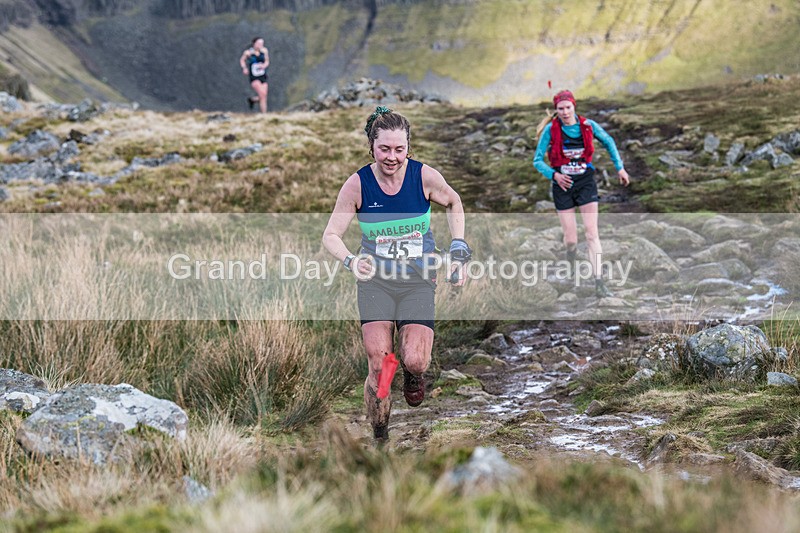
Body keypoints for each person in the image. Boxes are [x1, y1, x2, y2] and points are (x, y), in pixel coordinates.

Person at [322, 106, 471, 443]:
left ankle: (413, 374)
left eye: (399, 149)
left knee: (416, 360)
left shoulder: (424, 177)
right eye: (384, 149)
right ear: (372, 147)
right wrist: (350, 261)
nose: (392, 157)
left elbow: (454, 202)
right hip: (375, 282)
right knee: (379, 364)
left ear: (409, 148)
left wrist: (459, 249)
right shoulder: (358, 184)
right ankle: (380, 436)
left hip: (418, 280)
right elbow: (330, 235)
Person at [533, 90, 630, 297]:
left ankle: (599, 283)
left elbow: (609, 141)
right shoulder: (551, 130)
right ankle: (571, 257)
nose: (565, 112)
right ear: (556, 110)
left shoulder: (588, 126)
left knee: (591, 233)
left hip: (586, 183)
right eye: (561, 109)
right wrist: (554, 175)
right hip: (563, 186)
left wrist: (619, 167)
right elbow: (537, 160)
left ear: (574, 106)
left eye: (568, 107)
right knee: (571, 239)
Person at [239, 37, 269, 113]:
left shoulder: (264, 51)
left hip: (262, 75)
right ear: (254, 44)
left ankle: (253, 100)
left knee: (264, 96)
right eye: (259, 43)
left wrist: (264, 65)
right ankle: (264, 114)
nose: (260, 45)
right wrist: (244, 68)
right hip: (254, 76)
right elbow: (242, 60)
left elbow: (267, 61)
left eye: (262, 43)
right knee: (262, 94)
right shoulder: (248, 52)